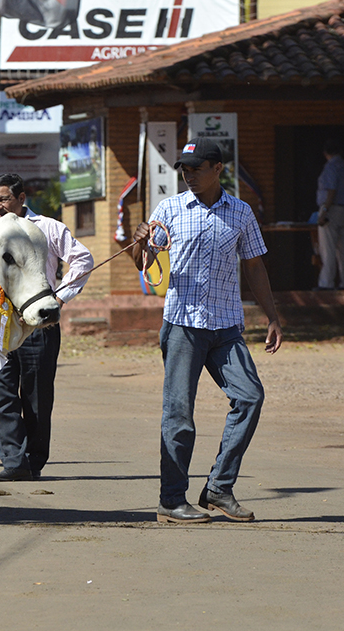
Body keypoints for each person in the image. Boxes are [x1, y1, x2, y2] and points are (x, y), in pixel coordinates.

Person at [132, 136, 283, 524]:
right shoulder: (170, 209)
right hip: (182, 325)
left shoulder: (241, 212)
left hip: (226, 326)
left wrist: (272, 317)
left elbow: (254, 266)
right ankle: (171, 499)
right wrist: (140, 245)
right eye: (184, 169)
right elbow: (145, 260)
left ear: (218, 169)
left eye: (196, 168)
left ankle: (219, 487)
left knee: (250, 397)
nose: (189, 176)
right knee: (179, 414)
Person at [0, 173, 93, 482]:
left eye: (4, 199)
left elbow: (82, 260)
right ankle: (13, 461)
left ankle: (33, 460)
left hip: (38, 328)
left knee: (36, 397)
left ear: (21, 199)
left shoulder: (47, 228)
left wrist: (59, 298)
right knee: (2, 394)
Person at [316, 139, 344, 290]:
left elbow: (331, 190)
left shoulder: (331, 167)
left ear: (325, 153)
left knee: (328, 248)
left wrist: (325, 211)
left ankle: (326, 283)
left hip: (332, 208)